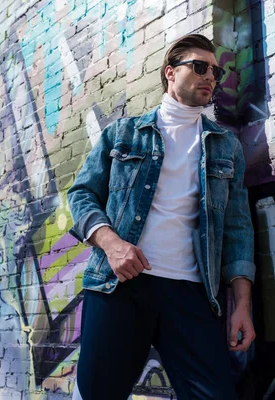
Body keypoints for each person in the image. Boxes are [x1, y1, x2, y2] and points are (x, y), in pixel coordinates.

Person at [67, 34, 255, 399]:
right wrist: (112, 244)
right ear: (171, 73)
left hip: (191, 294)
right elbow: (81, 195)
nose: (210, 77)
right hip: (119, 287)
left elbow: (237, 228)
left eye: (214, 70)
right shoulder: (122, 135)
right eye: (199, 67)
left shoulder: (225, 146)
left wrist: (241, 304)